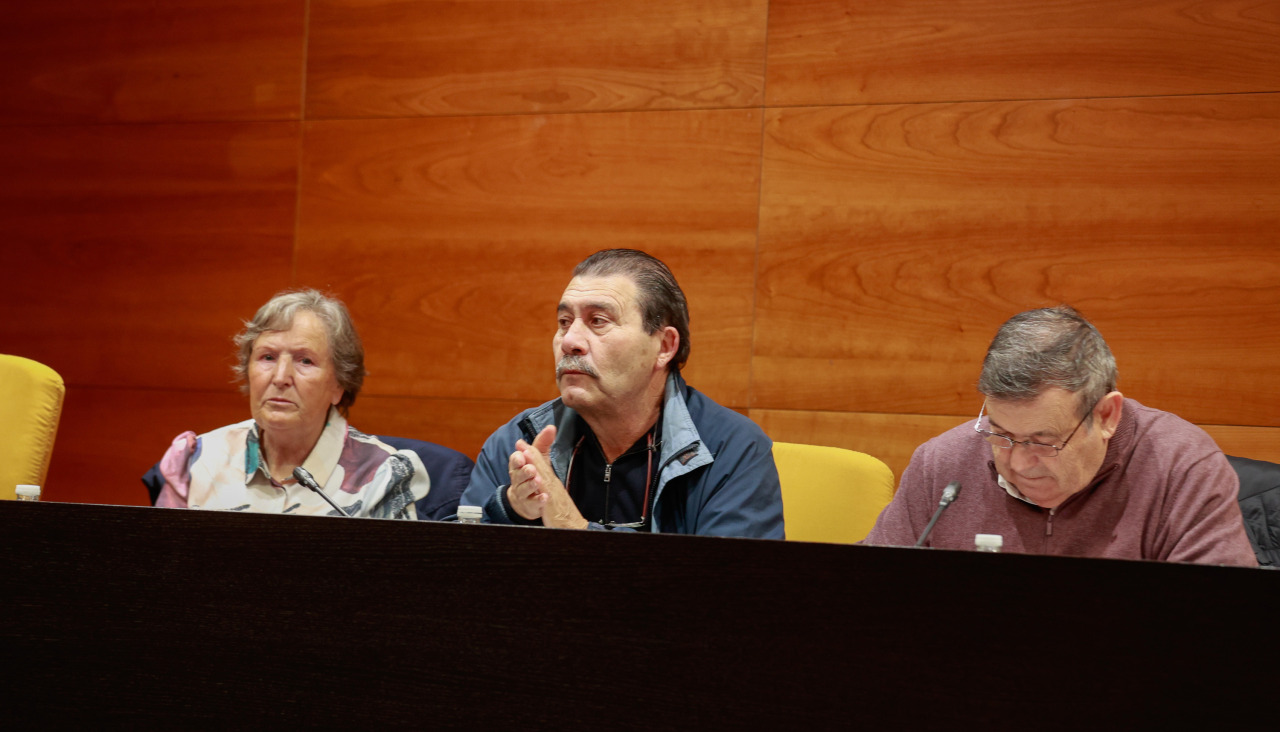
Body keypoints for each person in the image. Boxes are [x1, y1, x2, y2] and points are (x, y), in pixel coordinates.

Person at [864, 306, 1256, 565]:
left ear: (1106, 415)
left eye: (1042, 441)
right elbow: (864, 601)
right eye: (1000, 434)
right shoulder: (941, 464)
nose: (1017, 463)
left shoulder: (1181, 468)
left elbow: (1221, 633)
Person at [461, 249, 784, 537]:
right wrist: (510, 509)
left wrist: (572, 528)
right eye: (563, 321)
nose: (570, 340)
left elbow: (733, 594)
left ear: (664, 346)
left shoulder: (730, 450)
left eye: (598, 321)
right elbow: (454, 579)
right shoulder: (518, 442)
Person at [154, 289, 429, 518]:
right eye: (268, 357)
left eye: (305, 360)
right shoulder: (196, 461)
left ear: (339, 385)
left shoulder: (381, 477)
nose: (280, 377)